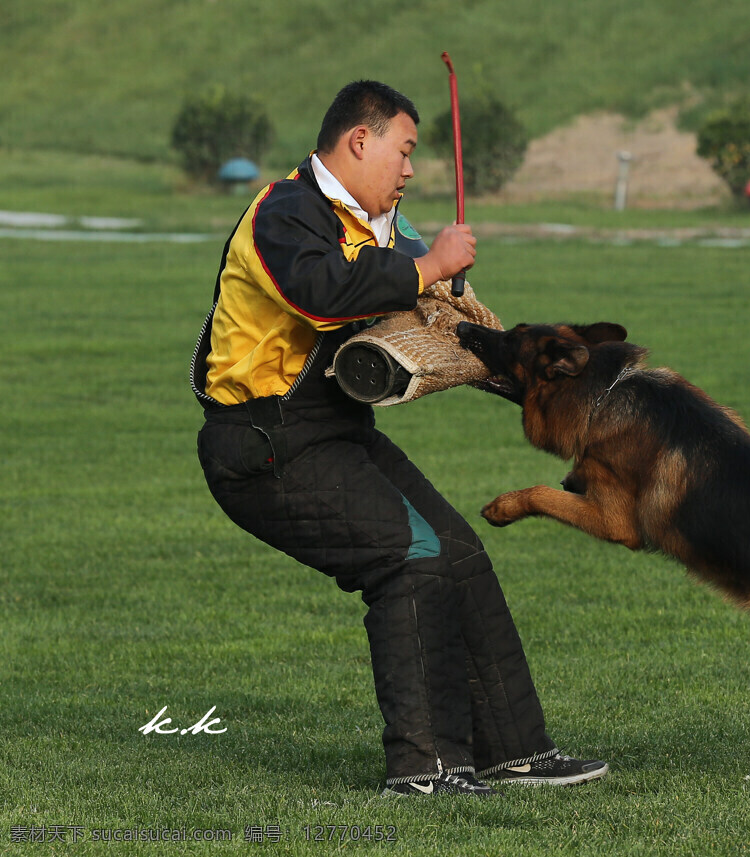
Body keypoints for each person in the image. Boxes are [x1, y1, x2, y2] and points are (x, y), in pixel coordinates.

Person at [190, 80, 607, 797]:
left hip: (335, 433)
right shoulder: (282, 212)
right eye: (404, 150)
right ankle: (425, 769)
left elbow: (452, 326)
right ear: (360, 140)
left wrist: (556, 378)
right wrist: (428, 267)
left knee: (458, 552)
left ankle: (513, 750)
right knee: (410, 558)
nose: (411, 170)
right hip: (262, 446)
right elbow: (322, 292)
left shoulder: (385, 226)